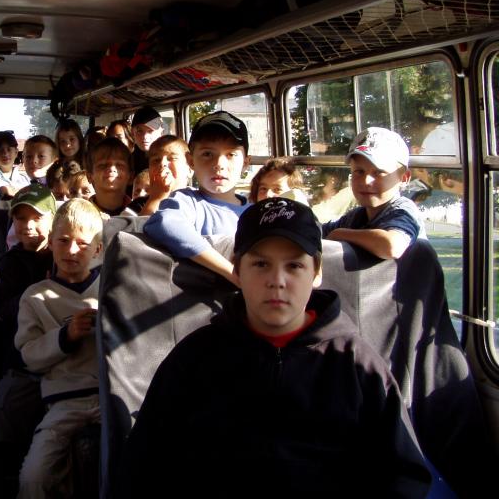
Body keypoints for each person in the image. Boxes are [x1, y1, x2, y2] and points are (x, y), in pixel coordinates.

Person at [121, 198, 431, 497]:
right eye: (260, 264)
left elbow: (403, 474)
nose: (277, 280)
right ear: (237, 270)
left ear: (317, 273)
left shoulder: (356, 364)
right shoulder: (195, 358)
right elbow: (143, 464)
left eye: (294, 265)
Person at [15, 199, 104, 499]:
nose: (72, 250)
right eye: (63, 241)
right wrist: (65, 336)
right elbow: (29, 355)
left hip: (109, 395)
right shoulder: (35, 297)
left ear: (98, 249)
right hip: (65, 402)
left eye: (83, 243)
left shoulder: (111, 289)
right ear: (50, 242)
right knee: (34, 477)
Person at [0, 185, 57, 484]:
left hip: (65, 355)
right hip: (24, 357)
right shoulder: (10, 263)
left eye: (37, 218)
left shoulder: (63, 254)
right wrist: (37, 292)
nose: (28, 225)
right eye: (20, 218)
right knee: (3, 412)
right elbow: (2, 314)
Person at [144, 111, 249, 282]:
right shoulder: (186, 202)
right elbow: (165, 224)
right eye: (207, 154)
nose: (219, 164)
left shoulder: (256, 211)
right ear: (191, 161)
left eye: (231, 154)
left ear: (245, 163)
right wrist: (230, 272)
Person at [322, 127, 426, 259]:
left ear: (404, 178)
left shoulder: (403, 211)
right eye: (359, 172)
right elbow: (319, 231)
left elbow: (392, 247)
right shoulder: (357, 217)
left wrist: (340, 234)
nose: (366, 181)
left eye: (379, 172)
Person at [130, 134, 193, 216]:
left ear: (190, 169)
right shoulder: (137, 205)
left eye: (172, 158)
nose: (162, 163)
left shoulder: (197, 202)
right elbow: (133, 224)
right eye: (156, 160)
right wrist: (155, 199)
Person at [86, 137, 134, 216]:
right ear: (89, 176)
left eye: (119, 165)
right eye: (103, 165)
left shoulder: (139, 211)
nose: (111, 169)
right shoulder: (80, 214)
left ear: (131, 176)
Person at [130, 106, 164, 174]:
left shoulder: (168, 158)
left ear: (161, 132)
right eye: (139, 131)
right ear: (132, 133)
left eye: (150, 131)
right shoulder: (128, 161)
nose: (145, 136)